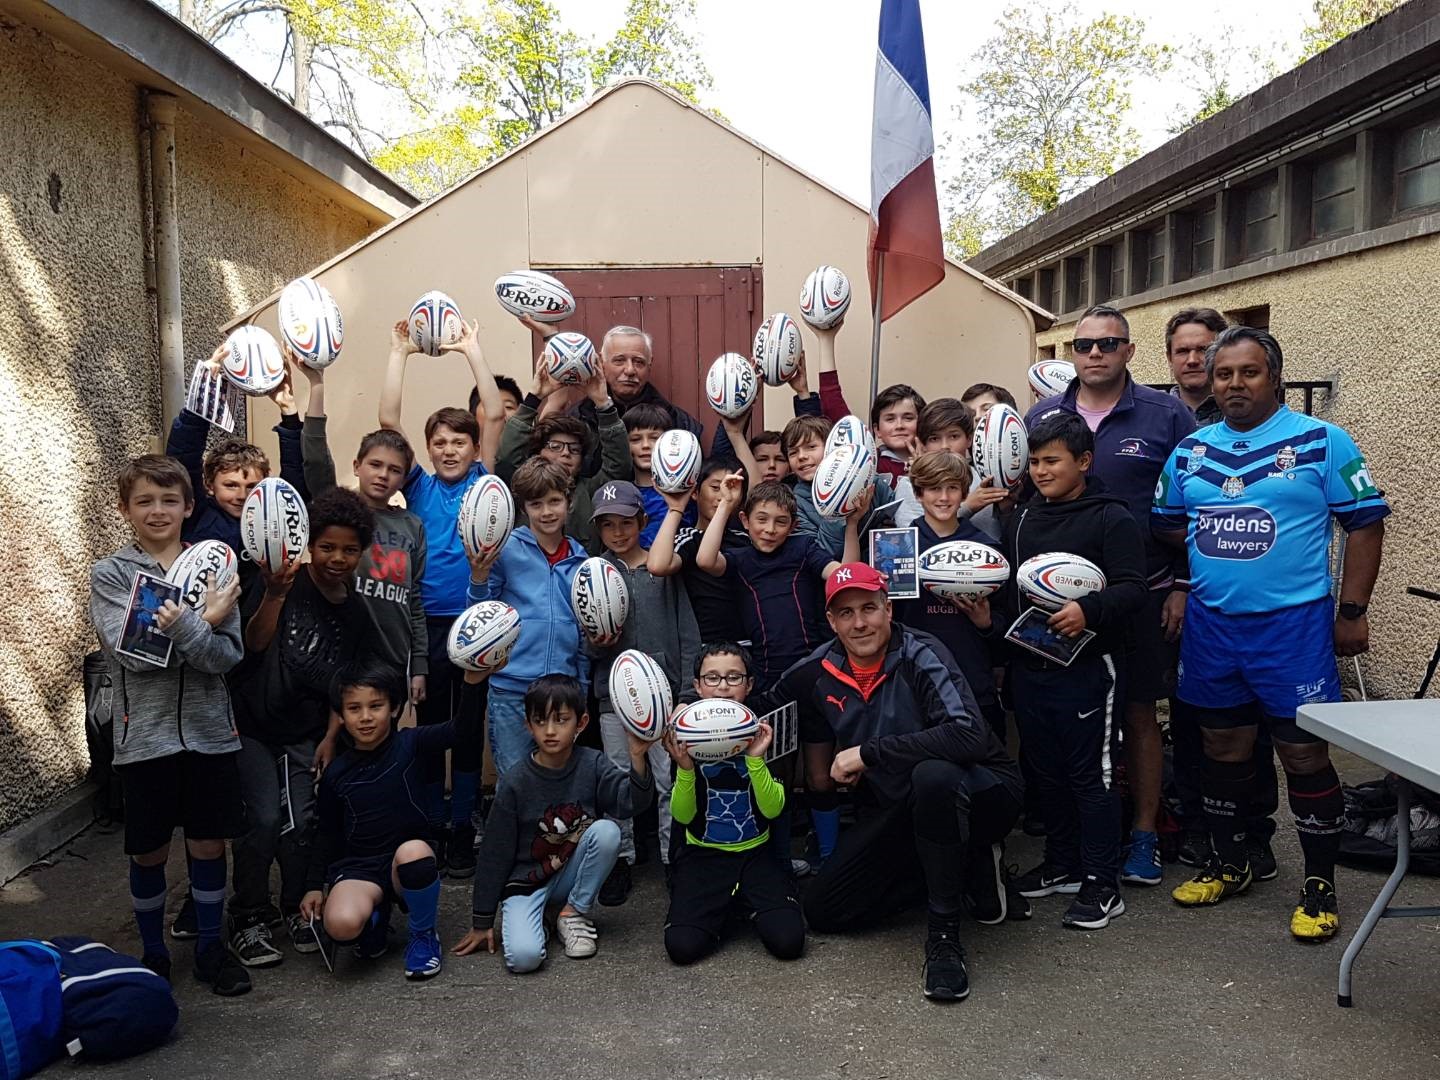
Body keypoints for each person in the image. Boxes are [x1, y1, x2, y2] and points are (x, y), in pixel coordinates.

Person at [1153, 326, 1389, 939]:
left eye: (1248, 372)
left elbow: (1365, 526)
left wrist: (1353, 611)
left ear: (1275, 376)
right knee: (1222, 751)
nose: (1234, 384)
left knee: (1305, 755)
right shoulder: (1192, 452)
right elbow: (1170, 525)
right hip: (1212, 627)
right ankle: (1230, 862)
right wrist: (1221, 555)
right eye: (1224, 373)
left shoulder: (1323, 442)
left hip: (1294, 630)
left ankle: (1319, 885)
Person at [755, 563, 1022, 1002]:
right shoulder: (818, 668)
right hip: (901, 809)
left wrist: (868, 752)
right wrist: (692, 713)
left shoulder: (922, 653)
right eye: (846, 613)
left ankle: (943, 939)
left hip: (985, 793)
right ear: (832, 622)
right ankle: (964, 863)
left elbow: (969, 734)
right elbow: (761, 702)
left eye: (869, 608)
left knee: (933, 774)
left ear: (889, 609)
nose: (859, 623)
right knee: (824, 910)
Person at [1027, 304, 1196, 888]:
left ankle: (1144, 836)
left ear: (1129, 350)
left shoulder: (1166, 413)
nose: (1094, 353)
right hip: (1059, 610)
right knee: (1070, 725)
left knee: (1139, 713)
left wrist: (1181, 583)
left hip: (1140, 593)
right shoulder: (1045, 414)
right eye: (1083, 345)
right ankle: (1074, 848)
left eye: (1107, 343)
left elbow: (1192, 508)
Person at [89, 454, 250, 995]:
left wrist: (185, 633)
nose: (157, 511)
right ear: (126, 509)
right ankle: (154, 953)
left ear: (188, 506)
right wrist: (198, 620)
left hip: (209, 732)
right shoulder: (113, 574)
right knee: (149, 849)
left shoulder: (215, 568)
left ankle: (210, 947)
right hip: (146, 738)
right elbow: (132, 655)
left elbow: (226, 658)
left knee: (208, 844)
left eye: (169, 500)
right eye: (144, 502)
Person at [999, 412, 1147, 929]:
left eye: (1052, 461)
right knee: (1047, 773)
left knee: (1092, 776)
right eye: (1034, 462)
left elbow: (1134, 588)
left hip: (1089, 669)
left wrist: (1089, 609)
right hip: (1031, 666)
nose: (1041, 471)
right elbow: (1014, 591)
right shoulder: (1020, 518)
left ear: (1083, 462)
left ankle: (1103, 883)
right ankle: (1063, 864)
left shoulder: (1112, 517)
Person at [379, 317, 507, 876]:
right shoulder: (420, 485)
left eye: (459, 442)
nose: (449, 450)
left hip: (477, 622)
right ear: (427, 451)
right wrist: (399, 352)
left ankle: (460, 824)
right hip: (427, 624)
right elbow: (388, 420)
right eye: (439, 443)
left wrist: (471, 349)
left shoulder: (485, 480)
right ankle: (431, 820)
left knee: (469, 727)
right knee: (432, 729)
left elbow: (497, 411)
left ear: (474, 447)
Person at [228, 487, 376, 966]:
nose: (337, 558)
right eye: (327, 546)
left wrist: (333, 738)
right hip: (249, 725)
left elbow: (346, 686)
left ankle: (295, 905)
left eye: (349, 549)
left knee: (299, 825)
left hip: (305, 733)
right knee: (263, 819)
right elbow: (252, 643)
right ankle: (248, 913)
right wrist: (274, 593)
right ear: (310, 544)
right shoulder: (280, 581)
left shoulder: (356, 612)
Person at [1160, 306, 1280, 869]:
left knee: (1253, 729)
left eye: (1204, 349)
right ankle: (1197, 828)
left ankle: (1255, 833)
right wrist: (1187, 575)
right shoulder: (1160, 417)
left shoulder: (1264, 424)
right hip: (1185, 598)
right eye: (1184, 351)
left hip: (1261, 613)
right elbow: (1164, 519)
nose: (1195, 360)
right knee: (1195, 722)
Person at [300, 662, 489, 981]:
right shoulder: (336, 773)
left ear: (394, 708)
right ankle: (375, 920)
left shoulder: (411, 743)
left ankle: (423, 935)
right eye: (354, 708)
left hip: (406, 861)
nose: (365, 717)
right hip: (361, 868)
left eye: (376, 706)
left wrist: (473, 680)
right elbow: (327, 833)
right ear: (342, 715)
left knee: (414, 854)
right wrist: (312, 887)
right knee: (341, 924)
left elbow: (463, 729)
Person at [454, 674, 655, 973]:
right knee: (524, 960)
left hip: (569, 875)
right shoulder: (514, 782)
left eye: (561, 720)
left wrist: (637, 757)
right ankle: (544, 918)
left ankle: (572, 913)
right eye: (540, 721)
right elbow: (494, 855)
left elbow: (629, 804)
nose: (550, 731)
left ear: (581, 723)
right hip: (525, 884)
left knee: (607, 832)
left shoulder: (593, 763)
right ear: (528, 725)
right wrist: (481, 921)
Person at [299, 361, 428, 761]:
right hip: (342, 657)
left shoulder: (411, 526)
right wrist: (316, 387)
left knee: (385, 756)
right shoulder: (339, 512)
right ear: (357, 466)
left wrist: (418, 665)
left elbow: (415, 599)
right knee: (338, 752)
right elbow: (316, 461)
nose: (383, 475)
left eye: (395, 470)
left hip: (393, 659)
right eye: (375, 464)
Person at [586, 480, 701, 904]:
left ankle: (675, 857)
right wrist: (598, 639)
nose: (618, 533)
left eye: (627, 523)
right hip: (613, 699)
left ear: (643, 522)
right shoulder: (596, 574)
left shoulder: (663, 569)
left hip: (666, 694)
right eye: (609, 525)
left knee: (669, 777)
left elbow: (687, 631)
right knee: (619, 777)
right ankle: (621, 858)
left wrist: (687, 688)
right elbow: (587, 642)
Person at [662, 643, 805, 965]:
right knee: (682, 948)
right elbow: (683, 816)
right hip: (703, 855)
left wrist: (756, 761)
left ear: (749, 684)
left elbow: (773, 810)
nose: (723, 686)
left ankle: (746, 900)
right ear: (697, 686)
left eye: (734, 677)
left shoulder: (766, 732)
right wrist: (685, 769)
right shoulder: (686, 737)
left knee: (789, 942)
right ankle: (727, 904)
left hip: (757, 854)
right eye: (711, 678)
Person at [466, 458, 589, 776]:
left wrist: (582, 687)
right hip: (511, 688)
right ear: (523, 507)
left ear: (569, 502)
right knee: (514, 778)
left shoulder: (581, 560)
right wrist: (479, 578)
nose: (547, 512)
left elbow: (585, 632)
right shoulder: (506, 550)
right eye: (536, 504)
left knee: (556, 779)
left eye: (554, 501)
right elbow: (480, 616)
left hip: (562, 689)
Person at [695, 475, 864, 692]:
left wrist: (852, 524)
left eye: (781, 521)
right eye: (761, 519)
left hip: (816, 664)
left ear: (793, 526)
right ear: (745, 521)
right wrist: (726, 504)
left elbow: (843, 576)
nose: (770, 529)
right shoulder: (741, 559)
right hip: (767, 671)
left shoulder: (803, 547)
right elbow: (705, 560)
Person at [890, 451, 1004, 738]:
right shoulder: (896, 548)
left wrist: (985, 623)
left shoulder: (987, 550)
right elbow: (888, 620)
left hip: (973, 678)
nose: (943, 497)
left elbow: (1005, 624)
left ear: (964, 493)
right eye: (933, 488)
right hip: (915, 681)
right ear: (918, 494)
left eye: (952, 488)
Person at [165, 343, 307, 573]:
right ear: (209, 485)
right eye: (231, 485)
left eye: (252, 487)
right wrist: (201, 401)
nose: (242, 496)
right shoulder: (196, 513)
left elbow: (296, 476)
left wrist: (288, 408)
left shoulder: (272, 520)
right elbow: (181, 460)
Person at [495, 360, 631, 551]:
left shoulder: (592, 491)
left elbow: (619, 466)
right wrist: (534, 397)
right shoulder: (521, 486)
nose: (566, 453)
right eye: (555, 446)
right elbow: (507, 458)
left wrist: (602, 403)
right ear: (538, 451)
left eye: (574, 449)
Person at [573, 324, 704, 473]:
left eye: (638, 362)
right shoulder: (579, 418)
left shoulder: (679, 424)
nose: (629, 370)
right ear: (601, 362)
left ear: (650, 364)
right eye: (619, 360)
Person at [647, 458, 751, 643]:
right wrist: (676, 508)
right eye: (716, 487)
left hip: (747, 644)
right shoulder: (689, 537)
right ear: (695, 491)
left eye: (732, 488)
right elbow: (657, 566)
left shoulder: (744, 539)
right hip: (703, 648)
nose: (723, 496)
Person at [782, 415, 893, 560]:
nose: (801, 456)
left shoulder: (873, 482)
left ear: (832, 449)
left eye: (811, 447)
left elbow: (894, 526)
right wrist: (837, 507)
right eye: (793, 452)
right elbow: (821, 555)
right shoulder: (795, 504)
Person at [895, 399, 1007, 539]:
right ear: (922, 444)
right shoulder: (910, 483)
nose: (944, 446)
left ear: (969, 439)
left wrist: (1006, 507)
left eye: (954, 436)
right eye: (934, 439)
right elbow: (911, 540)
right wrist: (967, 507)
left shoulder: (986, 476)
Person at [623, 402, 696, 548]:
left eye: (654, 438)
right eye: (636, 439)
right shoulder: (622, 492)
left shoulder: (683, 492)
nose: (645, 445)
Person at [1165, 307, 1227, 426]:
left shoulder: (1245, 416)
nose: (1192, 360)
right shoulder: (1149, 416)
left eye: (1203, 350)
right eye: (1183, 351)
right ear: (1169, 358)